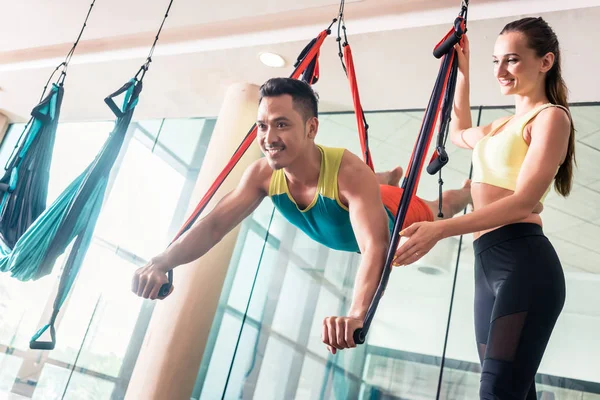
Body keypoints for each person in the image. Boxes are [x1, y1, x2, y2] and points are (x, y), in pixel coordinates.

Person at [131, 77, 471, 352]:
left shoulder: (348, 171)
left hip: (395, 214)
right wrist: (163, 261)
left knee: (442, 207)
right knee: (364, 190)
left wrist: (357, 313)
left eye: (281, 125)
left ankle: (465, 190)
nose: (269, 138)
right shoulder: (263, 175)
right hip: (353, 203)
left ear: (311, 128)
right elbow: (215, 224)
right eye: (262, 126)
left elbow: (375, 249)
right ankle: (382, 180)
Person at [392, 17, 574, 399]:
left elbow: (523, 201)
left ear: (545, 62)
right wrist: (464, 71)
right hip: (486, 264)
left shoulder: (550, 118)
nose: (502, 71)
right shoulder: (498, 127)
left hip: (524, 262)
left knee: (496, 393)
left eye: (512, 60)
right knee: (513, 393)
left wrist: (440, 228)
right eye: (495, 61)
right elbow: (458, 132)